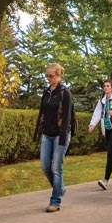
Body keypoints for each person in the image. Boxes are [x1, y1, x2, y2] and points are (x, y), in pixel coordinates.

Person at [34, 62, 74, 212]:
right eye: (46, 76)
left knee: (56, 167)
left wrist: (63, 137)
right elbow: (42, 113)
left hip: (60, 134)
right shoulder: (46, 92)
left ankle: (55, 201)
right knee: (45, 165)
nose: (48, 78)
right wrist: (39, 130)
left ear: (58, 75)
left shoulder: (65, 92)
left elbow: (67, 117)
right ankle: (60, 188)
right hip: (47, 133)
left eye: (51, 76)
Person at [87, 79, 112, 189]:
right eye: (104, 86)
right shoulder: (102, 101)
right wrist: (92, 125)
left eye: (108, 86)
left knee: (110, 153)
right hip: (107, 130)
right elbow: (96, 114)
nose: (105, 88)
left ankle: (105, 180)